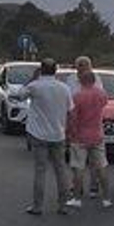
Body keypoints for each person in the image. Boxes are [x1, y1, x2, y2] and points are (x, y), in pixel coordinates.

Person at [23, 57, 73, 216]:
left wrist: (32, 78)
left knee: (40, 170)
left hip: (38, 134)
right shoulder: (64, 88)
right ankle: (63, 205)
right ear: (56, 70)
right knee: (60, 169)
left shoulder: (35, 86)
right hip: (58, 133)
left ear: (41, 69)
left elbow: (17, 95)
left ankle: (37, 206)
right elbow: (70, 110)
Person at [67, 56, 112, 209]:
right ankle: (106, 198)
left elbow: (73, 117)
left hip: (80, 135)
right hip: (97, 134)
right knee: (101, 166)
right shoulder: (101, 94)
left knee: (78, 167)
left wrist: (70, 133)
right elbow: (104, 105)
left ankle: (77, 198)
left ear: (81, 81)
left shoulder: (77, 97)